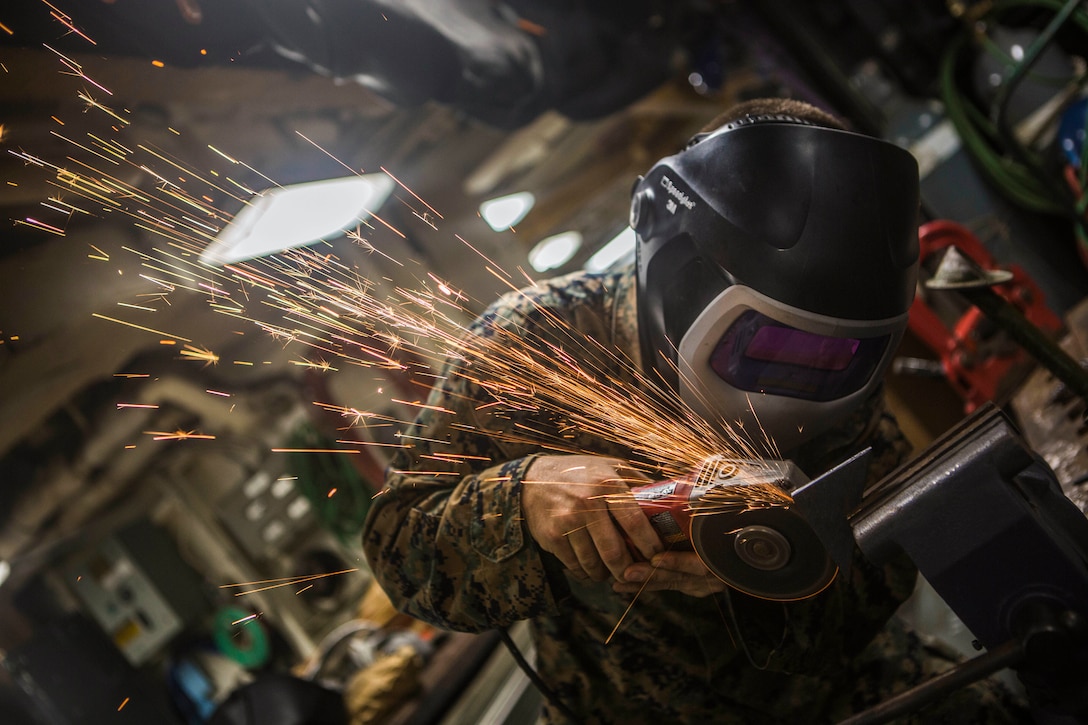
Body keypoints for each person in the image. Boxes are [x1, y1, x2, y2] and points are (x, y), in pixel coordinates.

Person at [362, 98, 1026, 722]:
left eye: (833, 356)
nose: (795, 374)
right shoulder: (539, 341)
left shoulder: (843, 344)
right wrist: (523, 497)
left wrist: (772, 572)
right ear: (685, 273)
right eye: (767, 338)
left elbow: (880, 566)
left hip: (831, 688)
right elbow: (399, 548)